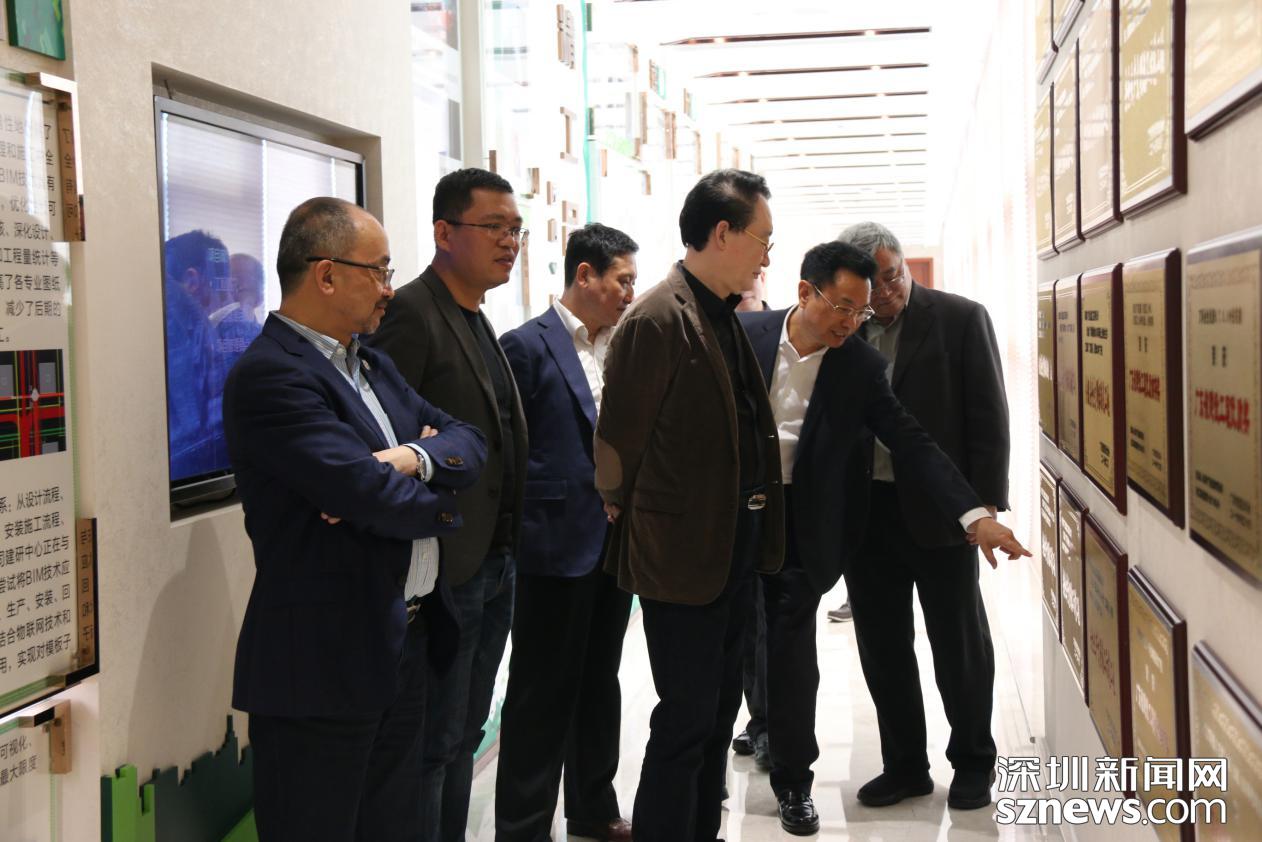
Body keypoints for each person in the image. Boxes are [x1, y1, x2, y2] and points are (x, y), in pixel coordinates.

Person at [737, 240, 1030, 833]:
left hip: (817, 525)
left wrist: (975, 513)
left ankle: (794, 783)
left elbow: (913, 439)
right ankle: (706, 772)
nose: (852, 322)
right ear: (805, 292)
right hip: (739, 519)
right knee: (732, 650)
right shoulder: (743, 336)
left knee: (795, 656)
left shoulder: (860, 365)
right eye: (842, 307)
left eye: (860, 310)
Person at [224, 197, 486, 841]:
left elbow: (469, 440)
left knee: (392, 825)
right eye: (380, 271)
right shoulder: (272, 376)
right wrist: (439, 495)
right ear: (326, 274)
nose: (389, 289)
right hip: (323, 659)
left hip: (402, 641)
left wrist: (409, 458)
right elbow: (368, 495)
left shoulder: (370, 362)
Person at [595, 168, 784, 842]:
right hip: (681, 559)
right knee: (684, 719)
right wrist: (622, 504)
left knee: (716, 715)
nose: (767, 256)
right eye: (762, 239)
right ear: (722, 232)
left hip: (730, 549)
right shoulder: (658, 317)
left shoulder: (721, 312)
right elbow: (617, 442)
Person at [366, 168, 528, 841]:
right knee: (434, 743)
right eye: (494, 227)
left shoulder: (476, 315)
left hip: (494, 558)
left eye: (515, 229)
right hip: (446, 564)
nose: (510, 241)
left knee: (465, 732)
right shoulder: (411, 311)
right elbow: (384, 433)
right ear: (443, 232)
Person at [838, 221, 1012, 811]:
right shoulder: (845, 328)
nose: (886, 292)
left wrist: (983, 505)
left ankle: (974, 762)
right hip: (869, 515)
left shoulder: (960, 318)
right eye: (873, 285)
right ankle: (905, 765)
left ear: (904, 263)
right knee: (883, 648)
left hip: (942, 510)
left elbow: (989, 416)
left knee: (959, 645)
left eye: (893, 277)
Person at [494, 223, 640, 842]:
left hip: (615, 545)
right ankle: (523, 827)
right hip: (552, 544)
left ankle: (592, 808)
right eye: (622, 280)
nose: (630, 293)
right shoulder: (525, 346)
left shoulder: (624, 347)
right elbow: (508, 451)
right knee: (540, 691)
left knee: (600, 681)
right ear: (585, 274)